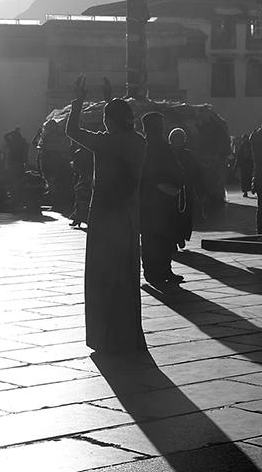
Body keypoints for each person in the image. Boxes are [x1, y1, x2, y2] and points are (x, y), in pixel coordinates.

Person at [65, 76, 147, 354]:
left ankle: (106, 337)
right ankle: (128, 337)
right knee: (126, 279)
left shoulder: (107, 143)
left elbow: (72, 131)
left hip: (104, 219)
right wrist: (111, 99)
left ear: (110, 120)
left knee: (102, 279)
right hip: (128, 218)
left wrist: (78, 101)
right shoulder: (139, 141)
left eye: (104, 117)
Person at [140, 112, 186, 287]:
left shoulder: (162, 146)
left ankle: (165, 270)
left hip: (165, 200)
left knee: (165, 238)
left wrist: (176, 183)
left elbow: (175, 168)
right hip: (152, 200)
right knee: (152, 239)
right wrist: (159, 185)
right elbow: (143, 173)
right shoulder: (144, 146)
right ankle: (152, 272)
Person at [169, 128, 204, 250]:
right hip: (172, 190)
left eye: (180, 138)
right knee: (172, 215)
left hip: (186, 189)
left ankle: (181, 236)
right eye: (176, 138)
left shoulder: (188, 154)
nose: (178, 141)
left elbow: (197, 171)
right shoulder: (167, 153)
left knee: (185, 215)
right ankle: (173, 238)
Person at [69, 145, 93, 227]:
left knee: (81, 198)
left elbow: (76, 165)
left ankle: (79, 217)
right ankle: (79, 217)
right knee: (84, 198)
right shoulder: (92, 151)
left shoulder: (80, 152)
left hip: (84, 177)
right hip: (87, 176)